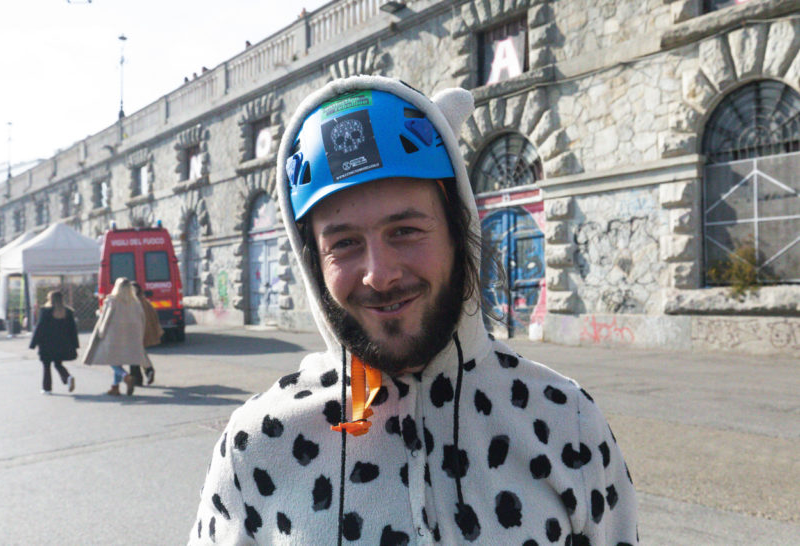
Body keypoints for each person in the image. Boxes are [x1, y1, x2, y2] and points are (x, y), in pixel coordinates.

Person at [189, 76, 638, 545]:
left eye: (404, 230)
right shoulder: (257, 446)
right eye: (344, 243)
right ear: (313, 264)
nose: (379, 274)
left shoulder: (568, 424)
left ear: (458, 230)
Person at [81, 277, 147, 396]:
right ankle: (115, 387)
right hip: (131, 335)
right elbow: (142, 319)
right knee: (118, 360)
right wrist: (141, 333)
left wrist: (101, 332)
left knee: (111, 359)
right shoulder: (135, 302)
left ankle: (125, 376)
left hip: (113, 335)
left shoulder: (112, 301)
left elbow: (106, 318)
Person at [29, 290, 79, 394]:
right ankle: (67, 377)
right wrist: (75, 345)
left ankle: (47, 389)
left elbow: (40, 328)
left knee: (46, 367)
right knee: (58, 364)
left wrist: (33, 343)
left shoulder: (45, 311)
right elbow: (73, 330)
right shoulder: (68, 312)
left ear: (50, 299)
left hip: (46, 344)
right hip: (62, 344)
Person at [129, 280, 162, 386]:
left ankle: (139, 377)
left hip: (134, 333)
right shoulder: (144, 301)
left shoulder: (132, 303)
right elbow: (154, 317)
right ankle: (147, 372)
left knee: (133, 356)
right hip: (142, 332)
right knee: (138, 353)